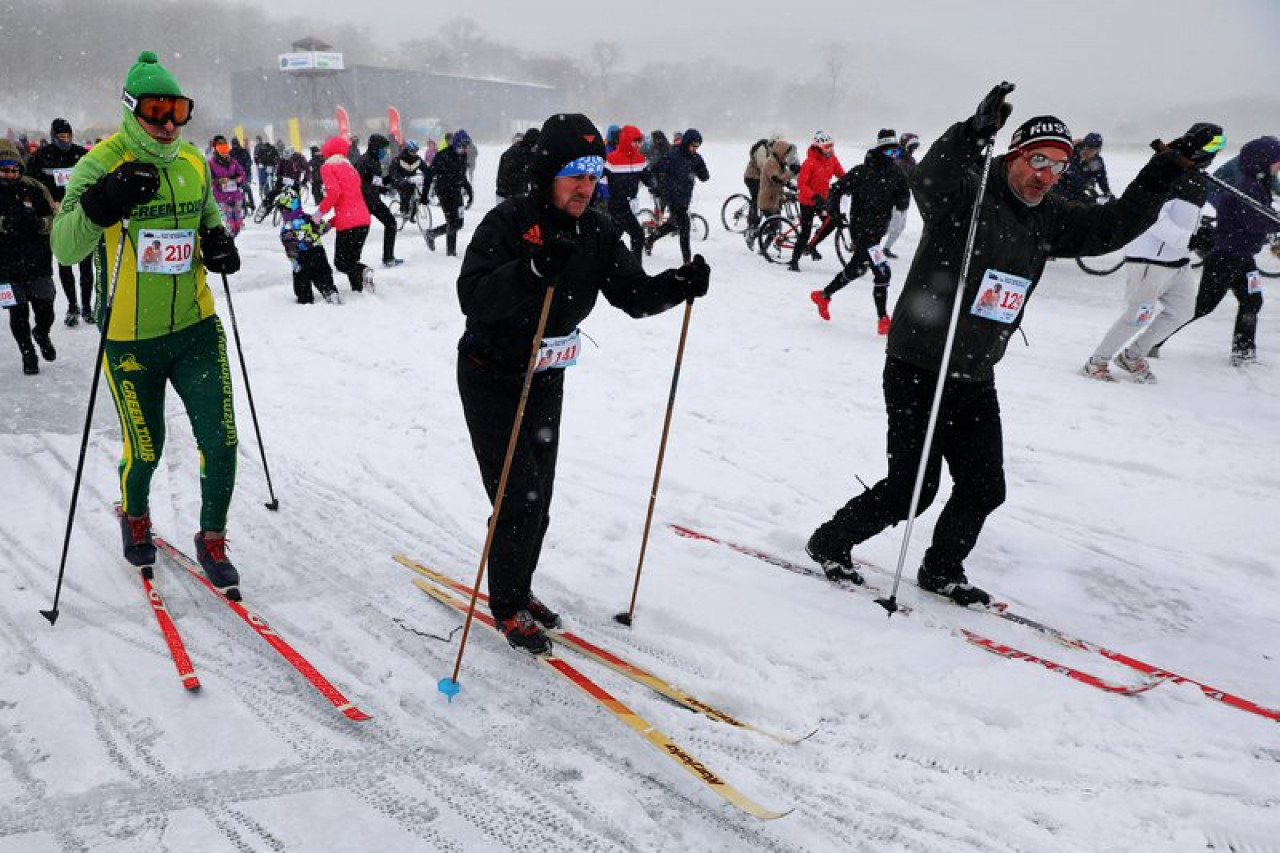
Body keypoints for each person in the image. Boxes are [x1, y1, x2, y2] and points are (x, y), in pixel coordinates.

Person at [803, 82, 1221, 606]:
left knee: (984, 488)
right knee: (913, 489)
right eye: (1037, 161)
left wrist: (1170, 167)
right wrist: (971, 132)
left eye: (1058, 167)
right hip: (919, 361)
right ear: (1014, 154)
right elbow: (930, 179)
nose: (1045, 176)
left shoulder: (1049, 215)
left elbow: (1111, 227)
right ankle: (831, 542)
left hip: (975, 370)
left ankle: (941, 569)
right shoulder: (969, 190)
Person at [455, 112, 711, 653]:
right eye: (575, 174)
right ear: (548, 172)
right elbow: (473, 297)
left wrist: (679, 285)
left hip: (546, 375)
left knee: (539, 495)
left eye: (593, 175)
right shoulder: (508, 223)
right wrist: (531, 270)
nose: (586, 186)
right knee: (515, 494)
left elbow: (632, 295)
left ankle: (520, 587)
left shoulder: (596, 229)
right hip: (492, 374)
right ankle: (505, 603)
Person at [51, 51, 244, 595]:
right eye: (157, 109)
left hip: (195, 328)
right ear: (132, 109)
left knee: (222, 440)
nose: (167, 123)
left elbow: (206, 214)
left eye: (177, 110)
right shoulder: (99, 162)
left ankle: (212, 537)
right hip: (130, 339)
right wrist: (103, 200)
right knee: (147, 446)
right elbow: (65, 248)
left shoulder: (192, 162)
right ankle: (135, 516)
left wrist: (219, 240)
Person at [1081, 132, 1221, 383]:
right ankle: (1097, 361)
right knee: (1137, 316)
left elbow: (1186, 217)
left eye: (1220, 144)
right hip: (1149, 261)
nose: (1217, 150)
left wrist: (1201, 235)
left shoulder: (1196, 179)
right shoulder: (1168, 171)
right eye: (1213, 143)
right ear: (1197, 146)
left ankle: (1133, 355)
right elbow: (1152, 218)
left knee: (1182, 311)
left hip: (1178, 262)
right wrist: (1187, 239)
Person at [1160, 135, 1280, 366]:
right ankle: (1153, 340)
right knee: (1202, 307)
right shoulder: (1247, 187)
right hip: (1226, 256)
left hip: (1243, 257)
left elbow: (1261, 216)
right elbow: (1253, 220)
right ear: (1263, 161)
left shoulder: (1259, 184)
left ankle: (1243, 351)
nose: (1279, 166)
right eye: (1276, 161)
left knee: (1252, 301)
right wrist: (1274, 223)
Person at [809, 129, 910, 333]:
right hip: (861, 230)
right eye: (890, 153)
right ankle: (883, 320)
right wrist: (835, 213)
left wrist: (902, 197)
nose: (894, 157)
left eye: (896, 153)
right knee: (883, 273)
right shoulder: (861, 172)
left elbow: (903, 200)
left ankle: (824, 295)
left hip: (878, 230)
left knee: (856, 268)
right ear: (880, 151)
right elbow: (836, 189)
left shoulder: (896, 174)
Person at [28, 118, 95, 326]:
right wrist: (49, 205)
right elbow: (31, 186)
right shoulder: (41, 157)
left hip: (81, 215)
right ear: (53, 137)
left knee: (86, 264)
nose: (65, 141)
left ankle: (86, 306)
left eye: (68, 137)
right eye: (61, 137)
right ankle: (72, 306)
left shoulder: (82, 155)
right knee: (65, 263)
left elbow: (95, 180)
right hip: (58, 217)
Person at [0, 138, 58, 375]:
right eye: (5, 170)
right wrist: (5, 224)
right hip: (5, 265)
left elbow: (55, 220)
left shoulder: (35, 188)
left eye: (15, 170)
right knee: (18, 312)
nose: (10, 175)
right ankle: (28, 353)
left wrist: (38, 223)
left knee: (46, 309)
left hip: (38, 261)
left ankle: (42, 333)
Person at [316, 134, 374, 293]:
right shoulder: (351, 169)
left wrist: (318, 215)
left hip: (348, 224)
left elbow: (334, 193)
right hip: (363, 220)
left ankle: (363, 271)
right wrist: (331, 222)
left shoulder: (328, 167)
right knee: (352, 260)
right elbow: (350, 203)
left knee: (341, 263)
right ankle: (359, 289)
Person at [646, 128, 709, 264]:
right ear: (686, 143)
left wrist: (700, 170)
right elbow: (654, 169)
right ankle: (687, 261)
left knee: (674, 225)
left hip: (684, 197)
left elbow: (705, 177)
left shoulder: (696, 158)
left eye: (697, 147)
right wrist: (659, 184)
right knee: (684, 226)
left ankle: (650, 239)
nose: (695, 149)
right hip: (671, 196)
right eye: (693, 146)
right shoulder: (673, 155)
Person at [788, 131, 845, 271]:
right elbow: (802, 185)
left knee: (831, 222)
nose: (830, 150)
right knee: (805, 232)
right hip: (808, 201)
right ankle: (794, 261)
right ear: (818, 147)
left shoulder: (832, 159)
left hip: (823, 200)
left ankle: (812, 245)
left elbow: (842, 175)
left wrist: (851, 184)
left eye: (831, 146)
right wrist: (814, 196)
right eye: (827, 147)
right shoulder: (809, 163)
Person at [275, 185, 340, 305]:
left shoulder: (287, 228)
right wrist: (332, 222)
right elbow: (322, 227)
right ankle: (329, 290)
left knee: (301, 279)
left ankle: (305, 298)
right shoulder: (308, 218)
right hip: (318, 251)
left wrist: (294, 262)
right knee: (323, 273)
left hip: (301, 256)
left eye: (283, 210)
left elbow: (290, 247)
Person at [604, 124, 653, 260]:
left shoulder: (640, 159)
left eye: (640, 141)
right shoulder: (611, 159)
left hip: (630, 204)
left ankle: (603, 262)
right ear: (626, 140)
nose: (638, 145)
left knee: (612, 237)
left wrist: (657, 185)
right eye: (635, 141)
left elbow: (648, 179)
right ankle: (636, 270)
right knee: (638, 235)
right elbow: (597, 178)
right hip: (616, 204)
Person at [423, 130, 474, 256]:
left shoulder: (463, 156)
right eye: (463, 146)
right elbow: (429, 175)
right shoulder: (442, 155)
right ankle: (451, 252)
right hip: (444, 192)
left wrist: (469, 192)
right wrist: (424, 195)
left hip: (456, 192)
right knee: (452, 222)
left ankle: (432, 234)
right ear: (456, 143)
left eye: (466, 146)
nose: (465, 149)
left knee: (459, 223)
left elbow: (462, 176)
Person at [354, 134, 401, 267]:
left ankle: (388, 257)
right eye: (383, 149)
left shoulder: (374, 160)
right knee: (361, 232)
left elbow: (374, 181)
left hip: (373, 200)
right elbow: (361, 182)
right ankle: (353, 261)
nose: (385, 152)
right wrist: (378, 186)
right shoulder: (364, 161)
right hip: (364, 202)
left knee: (391, 223)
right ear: (375, 148)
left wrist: (384, 188)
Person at [882, 131, 920, 259]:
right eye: (912, 146)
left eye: (915, 147)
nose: (914, 149)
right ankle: (866, 243)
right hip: (893, 197)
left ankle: (886, 248)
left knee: (900, 227)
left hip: (903, 197)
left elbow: (913, 176)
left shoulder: (910, 159)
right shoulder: (896, 156)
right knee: (890, 226)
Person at [1053, 132, 1112, 203]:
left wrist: (1107, 192)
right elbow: (1067, 174)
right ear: (1083, 146)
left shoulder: (1097, 161)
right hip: (1063, 189)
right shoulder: (1070, 155)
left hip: (1085, 191)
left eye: (1092, 150)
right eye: (1087, 148)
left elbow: (1102, 178)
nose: (1088, 152)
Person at [208, 134, 247, 237]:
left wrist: (239, 179)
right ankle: (228, 244)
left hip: (235, 195)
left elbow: (243, 174)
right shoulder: (211, 163)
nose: (224, 152)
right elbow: (208, 180)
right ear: (216, 149)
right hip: (221, 197)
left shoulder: (233, 161)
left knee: (238, 225)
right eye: (221, 148)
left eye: (226, 148)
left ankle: (231, 242)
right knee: (229, 225)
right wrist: (218, 181)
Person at [756, 137, 799, 223]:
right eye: (786, 153)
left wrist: (792, 185)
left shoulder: (779, 163)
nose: (787, 156)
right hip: (768, 201)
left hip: (774, 201)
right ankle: (759, 233)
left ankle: (762, 233)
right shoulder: (771, 162)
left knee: (775, 228)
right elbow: (777, 179)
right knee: (775, 227)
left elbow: (784, 178)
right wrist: (791, 172)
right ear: (780, 152)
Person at [496, 127, 539, 201]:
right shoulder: (515, 153)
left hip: (518, 195)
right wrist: (529, 176)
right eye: (536, 144)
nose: (537, 147)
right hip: (507, 195)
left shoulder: (529, 153)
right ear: (531, 142)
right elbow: (508, 175)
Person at [389, 140, 427, 221]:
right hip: (399, 181)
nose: (414, 153)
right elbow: (393, 171)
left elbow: (426, 169)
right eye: (412, 151)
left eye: (416, 151)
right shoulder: (398, 159)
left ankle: (412, 213)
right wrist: (400, 179)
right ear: (407, 149)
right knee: (405, 192)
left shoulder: (417, 159)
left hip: (411, 180)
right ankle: (403, 210)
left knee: (417, 193)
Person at [229, 136, 255, 211]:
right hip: (235, 176)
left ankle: (251, 203)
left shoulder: (244, 151)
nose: (234, 146)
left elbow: (249, 161)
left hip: (245, 174)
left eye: (235, 144)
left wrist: (245, 168)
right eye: (233, 144)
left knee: (248, 189)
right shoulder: (230, 153)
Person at [252, 134, 279, 200]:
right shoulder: (260, 148)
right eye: (257, 140)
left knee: (270, 178)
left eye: (258, 139)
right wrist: (258, 163)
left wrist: (275, 164)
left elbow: (277, 157)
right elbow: (256, 157)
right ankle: (262, 190)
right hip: (263, 166)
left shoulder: (268, 148)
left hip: (269, 166)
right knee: (263, 179)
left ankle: (270, 190)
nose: (257, 141)